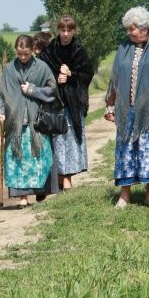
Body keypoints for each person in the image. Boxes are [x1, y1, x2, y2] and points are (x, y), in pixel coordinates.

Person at [105, 7, 149, 208]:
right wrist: (110, 104)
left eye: (132, 28)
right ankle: (124, 195)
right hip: (126, 109)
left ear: (144, 28)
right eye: (127, 28)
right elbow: (115, 78)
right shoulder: (123, 48)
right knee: (125, 152)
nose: (128, 32)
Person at [0, 35, 59, 208]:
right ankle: (23, 197)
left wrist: (33, 90)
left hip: (38, 123)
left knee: (39, 159)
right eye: (19, 53)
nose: (22, 57)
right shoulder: (9, 69)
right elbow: (0, 93)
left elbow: (53, 91)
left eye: (26, 53)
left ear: (33, 50)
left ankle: (41, 189)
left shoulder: (42, 67)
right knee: (18, 160)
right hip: (16, 124)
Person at [39, 15, 95, 190]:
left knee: (69, 139)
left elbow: (87, 74)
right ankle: (57, 177)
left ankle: (67, 178)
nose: (65, 34)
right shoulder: (49, 51)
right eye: (62, 30)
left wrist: (72, 74)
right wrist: (56, 79)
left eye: (69, 30)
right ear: (58, 30)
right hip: (54, 103)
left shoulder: (79, 50)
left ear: (74, 31)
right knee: (55, 139)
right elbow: (40, 73)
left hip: (73, 104)